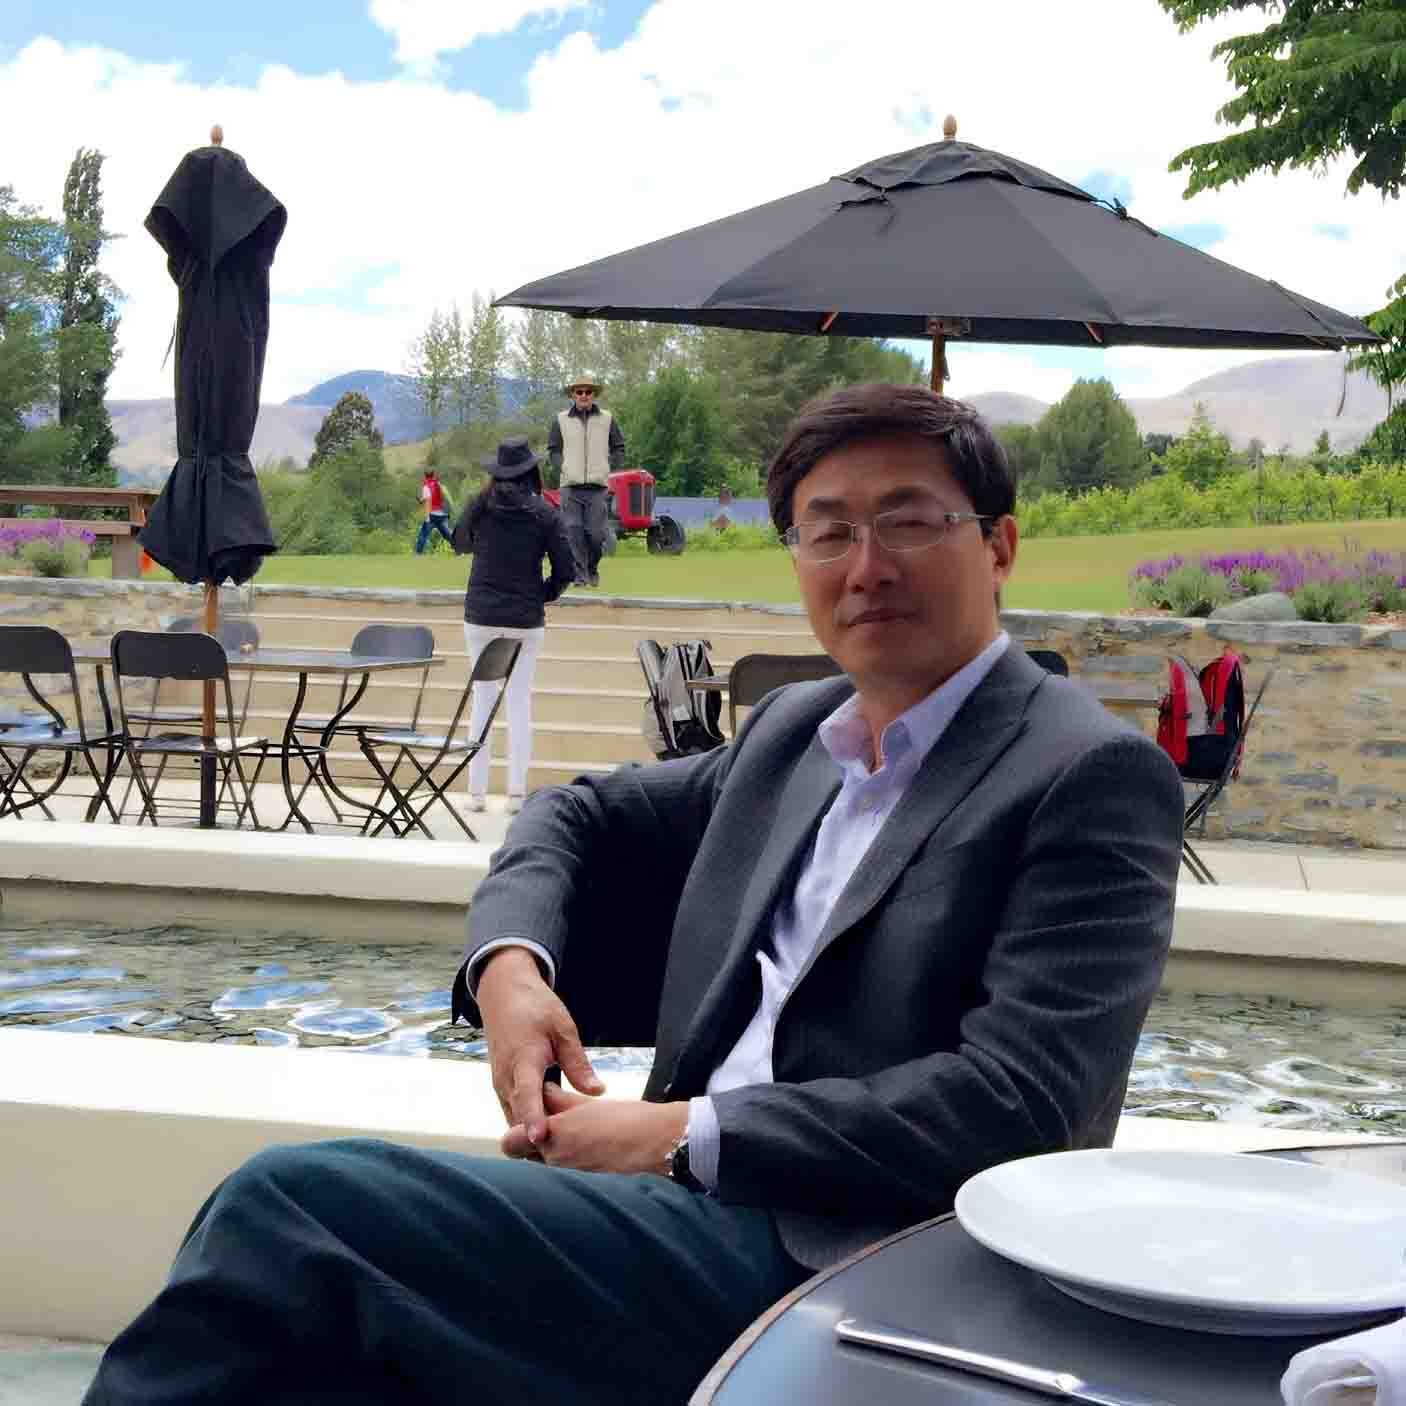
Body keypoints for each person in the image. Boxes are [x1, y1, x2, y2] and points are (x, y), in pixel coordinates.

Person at [81, 385, 1184, 1406]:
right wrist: (509, 968)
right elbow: (570, 814)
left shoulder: (1084, 772)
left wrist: (683, 1134)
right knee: (317, 1333)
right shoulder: (796, 732)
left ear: (997, 546)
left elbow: (1016, 1103)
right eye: (827, 531)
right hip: (686, 1217)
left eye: (907, 522)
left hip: (861, 1257)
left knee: (293, 1207)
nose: (866, 566)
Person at [451, 437, 575, 815]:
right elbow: (566, 569)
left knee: (482, 700)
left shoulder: (480, 505)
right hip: (524, 618)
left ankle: (476, 793)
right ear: (531, 472)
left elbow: (459, 542)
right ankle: (516, 794)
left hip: (480, 616)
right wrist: (541, 594)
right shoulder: (545, 513)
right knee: (519, 702)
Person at [546, 374, 624, 587]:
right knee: (573, 531)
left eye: (588, 392)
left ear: (593, 395)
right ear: (573, 395)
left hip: (597, 487)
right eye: (579, 391)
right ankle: (580, 576)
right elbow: (553, 449)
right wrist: (563, 467)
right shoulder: (561, 419)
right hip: (570, 487)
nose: (583, 395)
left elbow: (618, 447)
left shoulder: (607, 419)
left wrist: (609, 466)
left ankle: (592, 568)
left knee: (596, 534)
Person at [414, 466, 453, 554]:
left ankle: (417, 554)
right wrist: (421, 501)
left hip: (432, 515)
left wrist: (427, 518)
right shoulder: (439, 485)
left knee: (423, 535)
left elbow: (428, 501)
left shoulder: (426, 487)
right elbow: (442, 498)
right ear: (433, 475)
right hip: (442, 514)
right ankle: (460, 548)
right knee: (447, 535)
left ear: (425, 476)